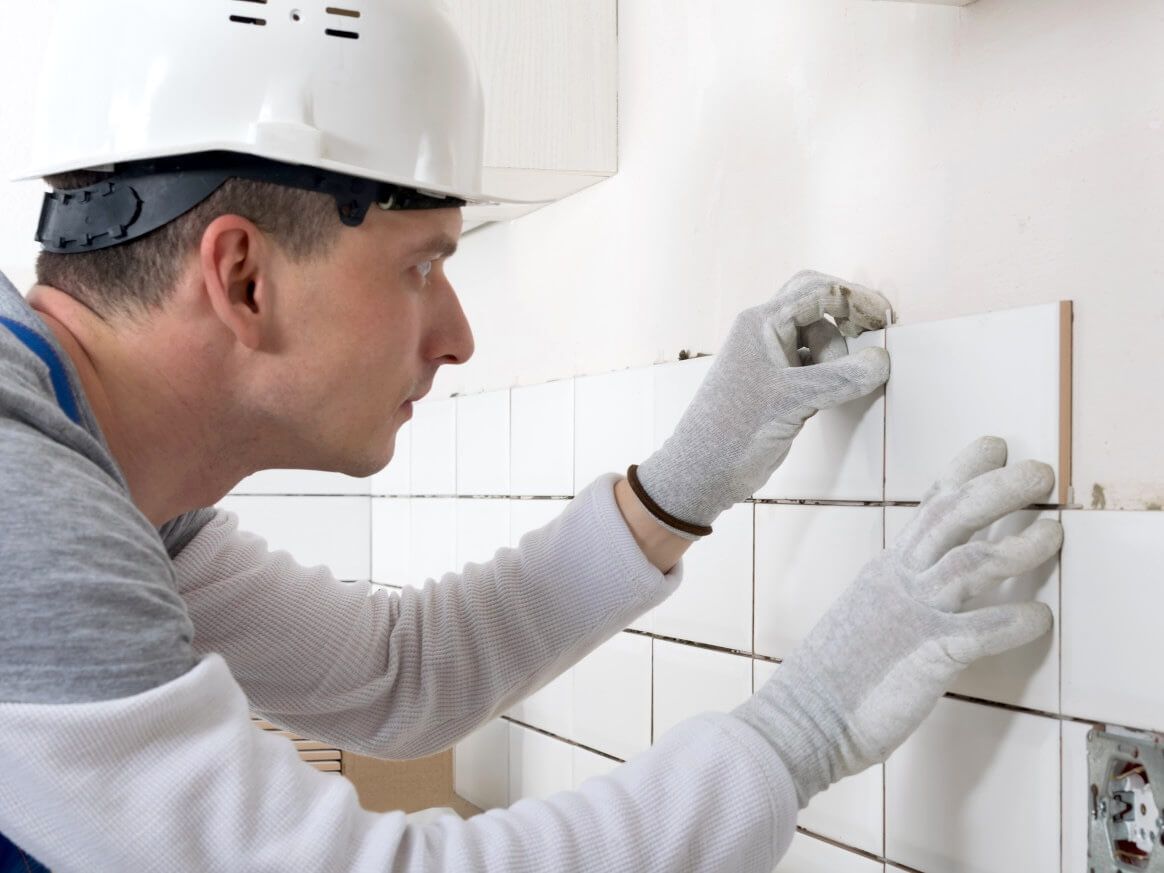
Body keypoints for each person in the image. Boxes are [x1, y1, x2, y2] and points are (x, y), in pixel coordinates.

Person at [0, 1, 1062, 870]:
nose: (456, 337)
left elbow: (396, 676)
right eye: (421, 266)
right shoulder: (28, 509)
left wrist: (676, 489)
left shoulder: (107, 493)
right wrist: (802, 733)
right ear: (242, 277)